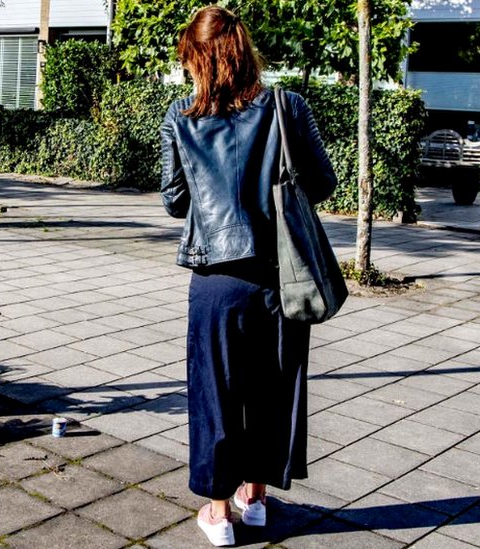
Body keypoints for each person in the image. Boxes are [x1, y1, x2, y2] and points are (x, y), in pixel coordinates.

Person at [160, 5, 337, 547]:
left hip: (216, 280)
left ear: (196, 57)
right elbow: (324, 183)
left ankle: (218, 514)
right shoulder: (287, 106)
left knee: (215, 391)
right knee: (272, 388)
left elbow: (173, 201)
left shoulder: (180, 118)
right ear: (244, 49)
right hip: (281, 275)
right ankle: (254, 498)